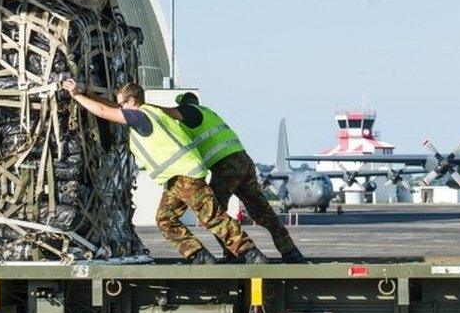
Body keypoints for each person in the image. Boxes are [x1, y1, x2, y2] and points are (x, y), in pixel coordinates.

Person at [61, 79, 268, 265]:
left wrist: (77, 96)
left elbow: (106, 112)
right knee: (165, 219)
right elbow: (113, 107)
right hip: (176, 177)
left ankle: (250, 253)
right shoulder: (150, 112)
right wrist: (90, 95)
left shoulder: (141, 117)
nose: (120, 107)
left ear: (132, 101)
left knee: (211, 217)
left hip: (184, 174)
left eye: (123, 103)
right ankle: (200, 256)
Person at [175, 92, 305, 263]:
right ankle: (291, 252)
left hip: (225, 166)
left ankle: (235, 253)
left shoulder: (189, 113)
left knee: (213, 214)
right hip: (244, 161)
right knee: (263, 211)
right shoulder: (208, 114)